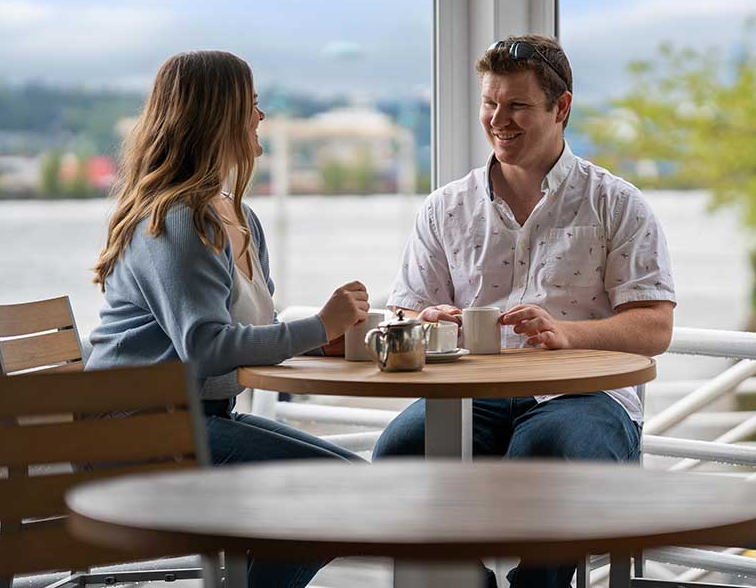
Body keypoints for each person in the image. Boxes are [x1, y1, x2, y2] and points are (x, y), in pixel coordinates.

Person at [373, 34, 676, 588]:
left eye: (517, 105)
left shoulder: (616, 202)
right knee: (399, 452)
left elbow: (655, 325)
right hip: (468, 396)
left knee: (549, 451)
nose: (498, 119)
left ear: (561, 108)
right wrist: (423, 323)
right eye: (490, 103)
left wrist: (567, 333)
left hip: (585, 399)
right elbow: (404, 312)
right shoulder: (445, 208)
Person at [88, 50, 368, 588]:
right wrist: (319, 327)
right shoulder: (176, 220)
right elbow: (207, 347)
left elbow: (240, 334)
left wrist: (325, 341)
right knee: (344, 489)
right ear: (216, 115)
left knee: (354, 483)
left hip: (200, 419)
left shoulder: (237, 216)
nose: (260, 118)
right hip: (138, 434)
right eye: (252, 106)